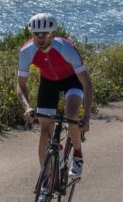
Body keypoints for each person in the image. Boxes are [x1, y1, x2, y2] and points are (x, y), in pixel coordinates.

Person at [16, 12, 94, 189]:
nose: (40, 38)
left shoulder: (66, 48)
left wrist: (87, 117)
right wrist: (27, 107)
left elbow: (87, 84)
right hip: (48, 82)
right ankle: (46, 175)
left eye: (45, 34)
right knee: (45, 129)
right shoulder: (26, 51)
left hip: (71, 80)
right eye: (36, 34)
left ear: (52, 34)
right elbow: (21, 85)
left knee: (71, 114)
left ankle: (78, 155)